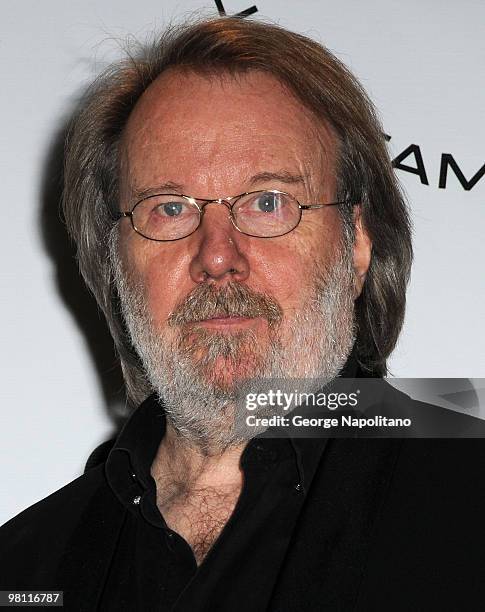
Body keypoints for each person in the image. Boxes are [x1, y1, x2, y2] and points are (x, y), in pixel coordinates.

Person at [1, 16, 484, 611]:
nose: (217, 255)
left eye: (267, 202)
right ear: (115, 261)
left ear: (356, 244)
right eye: (170, 207)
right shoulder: (25, 565)